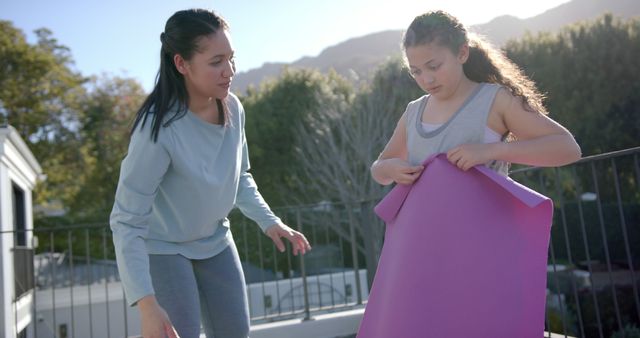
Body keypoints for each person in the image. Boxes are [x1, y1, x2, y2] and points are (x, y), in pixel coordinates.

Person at [361, 10, 582, 337]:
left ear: (462, 53)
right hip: (421, 255)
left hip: (481, 254)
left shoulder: (494, 100)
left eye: (434, 67)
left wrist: (492, 150)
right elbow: (379, 168)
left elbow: (567, 148)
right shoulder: (413, 112)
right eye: (416, 71)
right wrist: (390, 168)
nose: (427, 79)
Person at [110, 9, 311, 338]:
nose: (229, 71)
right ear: (182, 64)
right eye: (216, 61)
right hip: (163, 248)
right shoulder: (157, 129)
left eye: (231, 58)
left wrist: (269, 221)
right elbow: (126, 220)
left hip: (216, 241)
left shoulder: (232, 107)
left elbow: (240, 176)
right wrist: (146, 305)